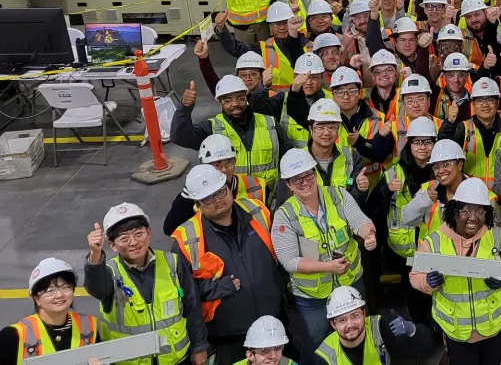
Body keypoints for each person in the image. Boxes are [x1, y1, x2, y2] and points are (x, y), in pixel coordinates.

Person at [170, 165, 283, 365]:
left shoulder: (258, 211)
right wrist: (199, 344)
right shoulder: (186, 237)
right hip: (227, 337)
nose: (217, 200)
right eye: (208, 198)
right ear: (197, 203)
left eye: (221, 191)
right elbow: (184, 295)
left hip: (273, 322)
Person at [271, 149, 377, 351]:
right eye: (296, 179)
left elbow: (359, 220)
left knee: (359, 334)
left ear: (315, 173)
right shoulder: (284, 215)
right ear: (288, 185)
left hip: (350, 283)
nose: (304, 182)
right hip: (313, 298)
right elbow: (289, 261)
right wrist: (328, 267)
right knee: (319, 343)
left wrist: (368, 234)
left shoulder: (338, 195)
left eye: (308, 175)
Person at [410, 177, 501, 365]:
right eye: (466, 210)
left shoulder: (500, 238)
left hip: (496, 326)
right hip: (456, 331)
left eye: (479, 211)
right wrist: (427, 281)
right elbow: (415, 276)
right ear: (454, 210)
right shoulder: (433, 241)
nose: (473, 217)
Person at [84, 202, 208, 365]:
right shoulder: (109, 272)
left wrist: (199, 347)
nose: (134, 242)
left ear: (149, 232)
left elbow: (192, 306)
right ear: (113, 245)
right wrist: (95, 254)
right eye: (124, 238)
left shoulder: (173, 263)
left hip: (176, 360)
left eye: (139, 234)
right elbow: (96, 288)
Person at [173, 75, 281, 188]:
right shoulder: (212, 128)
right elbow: (180, 137)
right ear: (220, 103)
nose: (235, 104)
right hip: (228, 198)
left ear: (246, 98)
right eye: (228, 100)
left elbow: (286, 156)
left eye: (240, 98)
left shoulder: (270, 124)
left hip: (266, 197)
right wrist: (185, 108)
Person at [3, 258, 97, 365]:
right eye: (50, 290)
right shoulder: (14, 335)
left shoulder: (90, 326)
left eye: (65, 287)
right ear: (36, 298)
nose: (59, 295)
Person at [314, 286, 434, 365]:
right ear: (333, 324)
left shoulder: (380, 327)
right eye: (342, 320)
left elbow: (427, 346)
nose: (350, 325)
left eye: (355, 315)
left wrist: (412, 330)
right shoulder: (324, 357)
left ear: (364, 313)